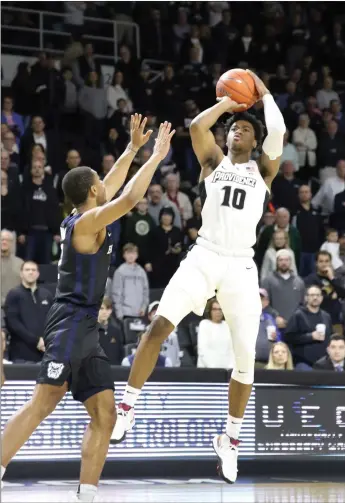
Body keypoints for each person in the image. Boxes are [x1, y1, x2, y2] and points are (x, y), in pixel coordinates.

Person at [111, 70, 286, 484]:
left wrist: (260, 92)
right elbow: (195, 126)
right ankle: (128, 408)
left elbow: (276, 126)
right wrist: (229, 101)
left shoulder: (264, 170)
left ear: (255, 140)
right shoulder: (212, 162)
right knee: (158, 327)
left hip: (242, 265)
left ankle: (230, 439)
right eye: (232, 130)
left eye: (244, 129)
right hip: (204, 254)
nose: (236, 133)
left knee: (246, 362)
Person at [0, 115, 175, 502]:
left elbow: (114, 188)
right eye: (100, 179)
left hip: (86, 326)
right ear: (93, 190)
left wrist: (131, 149)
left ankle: (88, 494)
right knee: (42, 403)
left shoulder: (89, 212)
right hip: (69, 320)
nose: (104, 181)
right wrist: (155, 157)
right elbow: (129, 198)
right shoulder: (86, 222)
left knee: (105, 412)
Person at [284, 285, 333, 370]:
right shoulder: (298, 315)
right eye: (312, 295)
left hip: (324, 364)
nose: (315, 297)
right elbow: (288, 337)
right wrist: (311, 336)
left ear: (321, 298)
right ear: (306, 298)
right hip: (304, 363)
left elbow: (330, 337)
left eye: (318, 295)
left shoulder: (326, 316)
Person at [197, 298, 234, 369]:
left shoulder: (228, 325)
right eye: (215, 309)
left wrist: (230, 367)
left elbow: (231, 350)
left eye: (220, 309)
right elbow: (203, 350)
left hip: (226, 370)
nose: (218, 312)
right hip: (208, 369)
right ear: (210, 311)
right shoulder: (204, 324)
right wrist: (214, 369)